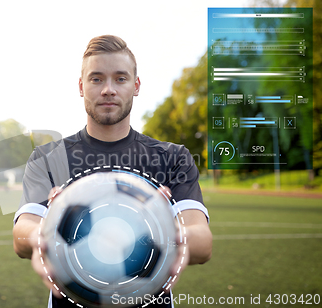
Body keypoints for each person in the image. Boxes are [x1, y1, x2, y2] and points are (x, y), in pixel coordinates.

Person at [12, 35, 212, 307]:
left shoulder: (172, 157)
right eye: (96, 79)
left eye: (120, 78)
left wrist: (171, 234)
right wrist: (42, 235)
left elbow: (201, 243)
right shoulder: (47, 158)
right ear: (81, 86)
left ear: (136, 85)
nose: (108, 89)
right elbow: (22, 234)